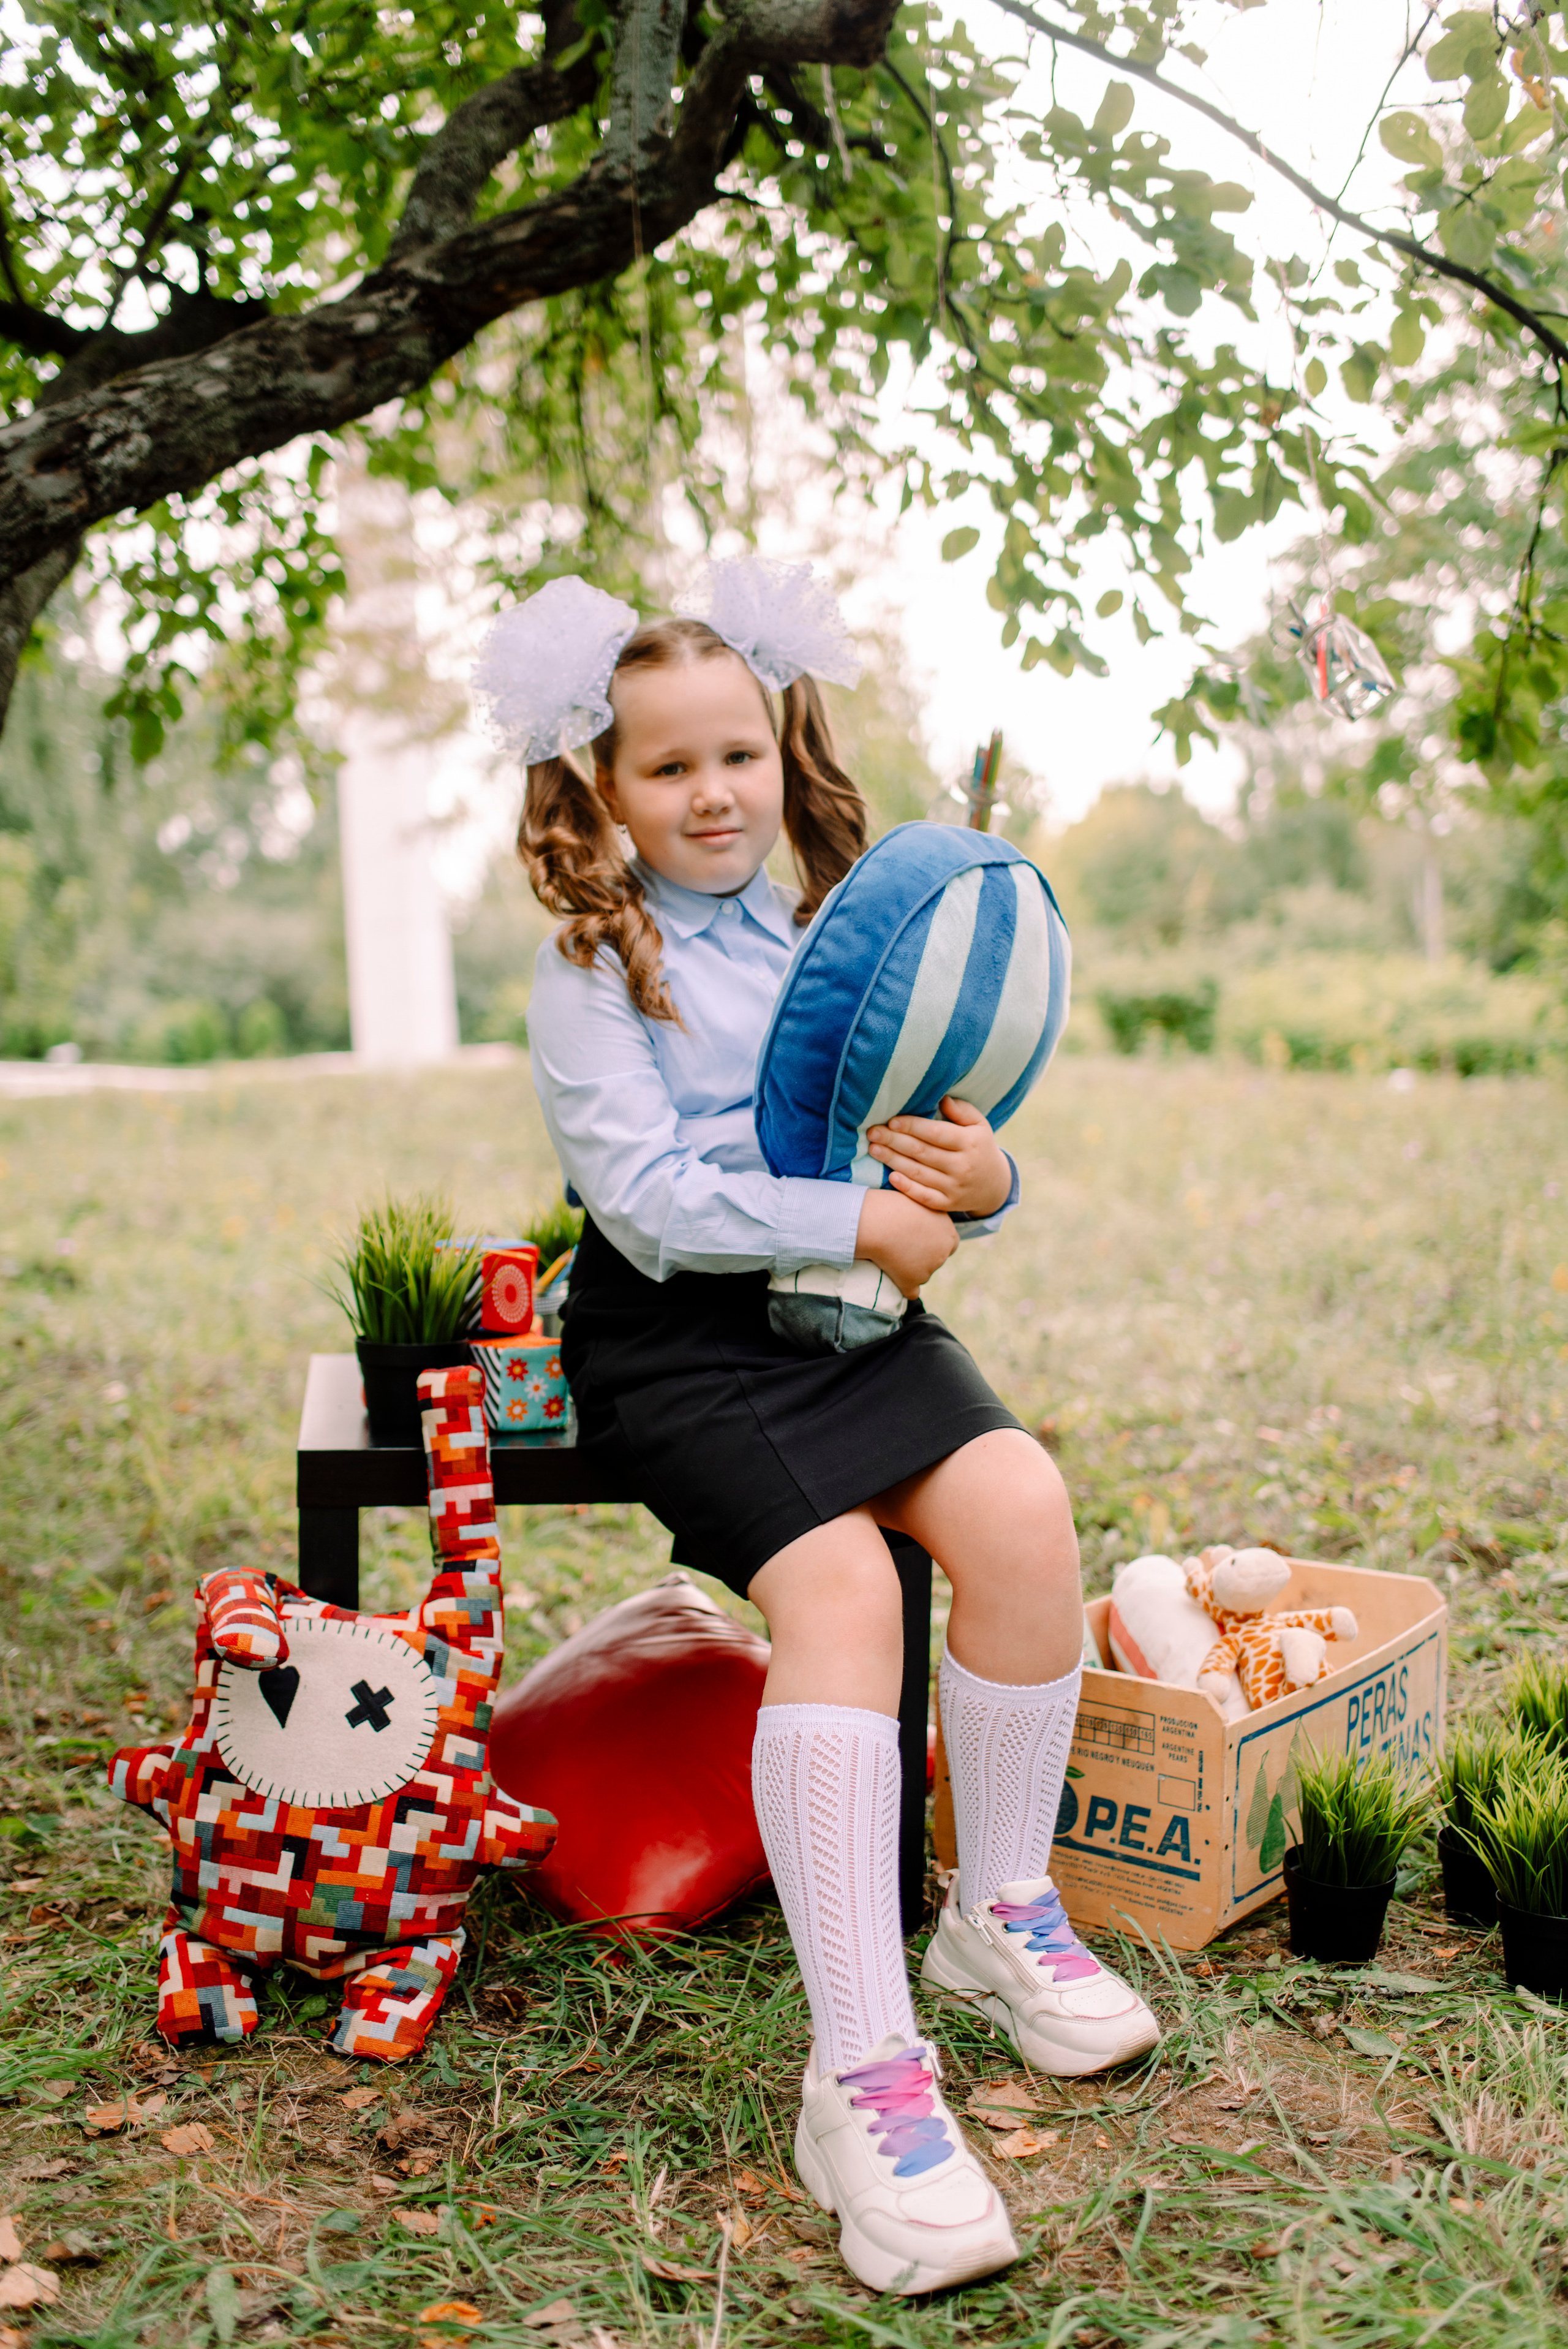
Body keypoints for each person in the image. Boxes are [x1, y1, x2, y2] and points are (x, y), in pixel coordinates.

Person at [477, 561, 1159, 2298]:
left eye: (739, 756)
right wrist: (861, 1224)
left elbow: (929, 1132)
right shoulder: (594, 966)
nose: (713, 793)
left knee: (1015, 1502)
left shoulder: (828, 931)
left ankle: (997, 1911)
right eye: (666, 767)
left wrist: (983, 1178)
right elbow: (643, 1202)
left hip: (844, 1320)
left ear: (786, 755)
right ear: (602, 791)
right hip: (681, 1341)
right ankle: (862, 2077)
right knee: (845, 1589)